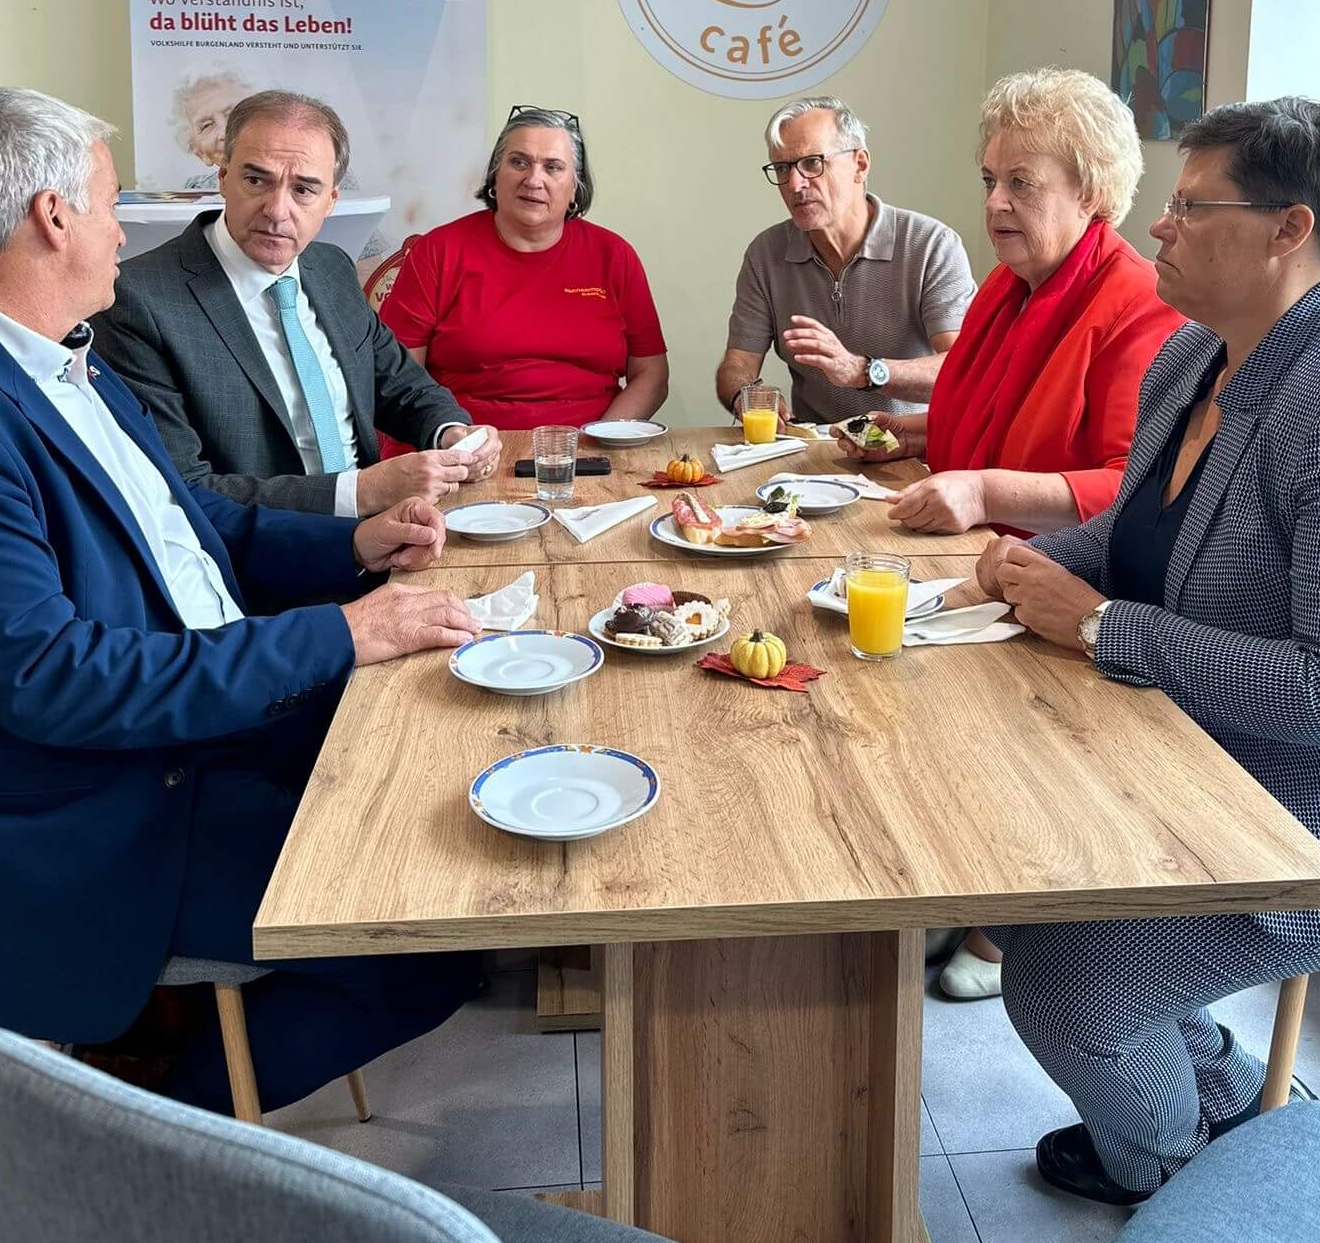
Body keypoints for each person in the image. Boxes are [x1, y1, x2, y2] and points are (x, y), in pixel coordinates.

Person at [0, 86, 487, 1115]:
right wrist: (344, 630)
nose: (120, 226)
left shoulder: (61, 358)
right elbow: (54, 678)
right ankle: (136, 1125)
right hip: (99, 810)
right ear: (52, 216)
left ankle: (176, 1061)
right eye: (107, 201)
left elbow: (195, 527)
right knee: (436, 930)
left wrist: (356, 543)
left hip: (200, 729)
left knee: (453, 751)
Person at [973, 97, 1320, 1207]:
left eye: (1191, 206)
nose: (1159, 228)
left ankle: (1185, 1185)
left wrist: (1101, 623)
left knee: (1065, 978)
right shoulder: (1199, 354)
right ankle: (1235, 1105)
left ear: (1291, 228)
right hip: (1222, 742)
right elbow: (1140, 527)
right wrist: (1025, 560)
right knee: (1031, 870)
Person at [834, 69, 1181, 999]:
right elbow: (975, 410)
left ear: (1092, 192)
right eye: (990, 178)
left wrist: (983, 483)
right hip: (970, 558)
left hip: (1060, 585)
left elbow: (1127, 485)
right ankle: (935, 882)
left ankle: (1003, 921)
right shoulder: (1010, 282)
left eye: (1021, 184)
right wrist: (908, 438)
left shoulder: (1138, 303)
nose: (993, 202)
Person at [93, 91, 502, 518]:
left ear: (331, 201)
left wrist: (451, 433)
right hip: (264, 557)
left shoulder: (330, 269)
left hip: (386, 529)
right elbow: (182, 488)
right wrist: (359, 493)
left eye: (304, 189)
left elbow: (400, 386)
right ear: (223, 178)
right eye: (256, 180)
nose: (277, 210)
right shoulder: (139, 301)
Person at [378, 105, 669, 432]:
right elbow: (398, 379)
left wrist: (599, 439)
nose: (533, 179)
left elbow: (652, 375)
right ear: (494, 175)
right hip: (465, 449)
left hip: (591, 452)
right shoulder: (435, 253)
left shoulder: (614, 256)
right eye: (519, 162)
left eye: (553, 167)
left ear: (575, 187)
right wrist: (452, 438)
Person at [715, 97, 975, 428]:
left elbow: (965, 370)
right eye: (782, 168)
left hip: (912, 448)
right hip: (814, 451)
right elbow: (736, 365)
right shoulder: (765, 253)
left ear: (860, 164)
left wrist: (861, 370)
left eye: (812, 163)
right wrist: (745, 395)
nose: (795, 184)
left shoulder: (930, 245)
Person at [169, 68, 251, 192]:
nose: (224, 132)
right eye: (206, 125)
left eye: (231, 114)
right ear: (200, 153)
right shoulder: (196, 189)